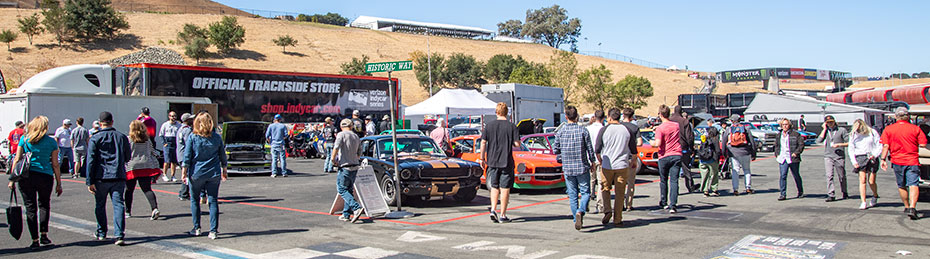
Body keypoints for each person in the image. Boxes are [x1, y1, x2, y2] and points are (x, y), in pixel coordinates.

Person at [7, 116, 63, 249]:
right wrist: (59, 183)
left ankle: (35, 239)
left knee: (30, 207)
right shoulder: (51, 142)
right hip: (45, 175)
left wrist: (12, 179)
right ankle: (44, 234)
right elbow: (55, 164)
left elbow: (17, 159)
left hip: (26, 176)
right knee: (44, 205)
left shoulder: (25, 139)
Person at [181, 112, 229, 239]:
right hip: (213, 172)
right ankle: (213, 230)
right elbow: (222, 155)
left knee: (195, 200)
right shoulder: (216, 137)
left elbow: (187, 156)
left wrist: (184, 171)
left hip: (197, 172)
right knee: (213, 200)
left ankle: (196, 227)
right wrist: (224, 168)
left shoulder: (193, 137)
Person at [86, 111, 131, 246]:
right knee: (118, 205)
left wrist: (89, 180)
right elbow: (128, 156)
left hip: (101, 176)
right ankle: (119, 235)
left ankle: (101, 232)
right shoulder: (121, 137)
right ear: (112, 122)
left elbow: (91, 160)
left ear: (100, 123)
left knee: (100, 204)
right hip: (118, 175)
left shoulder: (95, 138)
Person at [553, 106, 596, 230]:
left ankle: (575, 217)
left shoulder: (560, 132)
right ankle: (581, 210)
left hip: (568, 168)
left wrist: (562, 155)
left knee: (572, 195)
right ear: (576, 116)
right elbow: (589, 148)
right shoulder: (583, 131)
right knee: (585, 192)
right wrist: (592, 161)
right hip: (582, 166)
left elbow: (556, 149)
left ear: (566, 117)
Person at [880, 107, 925, 220]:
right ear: (908, 116)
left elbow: (886, 145)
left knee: (902, 185)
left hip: (897, 161)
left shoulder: (889, 129)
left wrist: (883, 159)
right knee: (913, 184)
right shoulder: (915, 129)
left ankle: (906, 206)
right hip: (912, 160)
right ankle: (912, 207)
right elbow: (923, 144)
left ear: (896, 116)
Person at [481, 102, 520, 223]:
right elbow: (517, 144)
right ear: (507, 112)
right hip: (506, 161)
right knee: (505, 188)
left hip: (492, 161)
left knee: (494, 186)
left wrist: (482, 158)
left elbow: (483, 142)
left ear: (496, 112)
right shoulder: (512, 126)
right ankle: (503, 214)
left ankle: (493, 209)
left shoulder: (489, 126)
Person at [594, 108, 634, 225]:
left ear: (609, 117)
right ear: (619, 117)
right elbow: (633, 148)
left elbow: (597, 148)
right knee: (620, 192)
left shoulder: (604, 130)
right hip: (622, 164)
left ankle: (607, 210)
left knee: (605, 188)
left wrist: (600, 159)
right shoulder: (626, 130)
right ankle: (618, 218)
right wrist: (633, 161)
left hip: (607, 164)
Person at [125, 120, 162, 220]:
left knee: (129, 190)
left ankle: (127, 211)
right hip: (145, 165)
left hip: (132, 166)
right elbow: (152, 151)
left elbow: (126, 153)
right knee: (147, 189)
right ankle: (154, 208)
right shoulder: (147, 140)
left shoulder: (129, 139)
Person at [330, 118, 365, 223]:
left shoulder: (341, 135)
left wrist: (333, 159)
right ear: (351, 126)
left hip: (345, 166)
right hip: (354, 165)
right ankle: (346, 214)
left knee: (342, 189)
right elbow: (359, 152)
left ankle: (356, 207)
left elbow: (336, 147)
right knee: (349, 190)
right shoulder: (356, 136)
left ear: (341, 126)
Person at [650, 105, 682, 213]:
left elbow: (658, 143)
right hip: (676, 153)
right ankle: (673, 204)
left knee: (663, 180)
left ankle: (663, 201)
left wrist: (652, 142)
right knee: (674, 180)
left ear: (660, 114)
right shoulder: (676, 125)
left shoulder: (660, 128)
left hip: (664, 155)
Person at [847, 119, 882, 210]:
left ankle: (875, 195)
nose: (858, 131)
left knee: (871, 181)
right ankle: (863, 201)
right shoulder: (853, 135)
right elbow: (851, 149)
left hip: (871, 156)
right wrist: (854, 161)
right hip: (860, 157)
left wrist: (875, 155)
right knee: (862, 180)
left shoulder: (872, 132)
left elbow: (879, 145)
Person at [817, 115, 849, 202]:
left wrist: (839, 145)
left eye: (831, 122)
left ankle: (844, 191)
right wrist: (824, 129)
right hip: (828, 156)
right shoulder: (826, 131)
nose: (830, 124)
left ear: (834, 121)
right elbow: (818, 141)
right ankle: (831, 194)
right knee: (829, 175)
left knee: (841, 176)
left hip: (839, 156)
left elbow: (849, 142)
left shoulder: (841, 130)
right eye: (828, 122)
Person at [723, 114, 757, 195]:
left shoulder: (729, 129)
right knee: (747, 170)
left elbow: (724, 141)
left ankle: (735, 189)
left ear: (732, 121)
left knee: (735, 171)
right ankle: (748, 187)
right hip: (745, 152)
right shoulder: (745, 128)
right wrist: (753, 153)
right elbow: (752, 141)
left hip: (733, 153)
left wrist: (725, 153)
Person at [774, 119, 805, 201]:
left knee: (796, 175)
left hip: (792, 158)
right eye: (783, 124)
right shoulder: (779, 135)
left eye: (786, 124)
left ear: (789, 125)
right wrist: (777, 154)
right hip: (783, 158)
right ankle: (782, 194)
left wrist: (796, 153)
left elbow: (801, 145)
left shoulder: (796, 134)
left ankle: (800, 191)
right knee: (783, 176)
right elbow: (776, 146)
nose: (785, 126)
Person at [669, 106, 696, 193]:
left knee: (673, 171)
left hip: (671, 148)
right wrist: (691, 148)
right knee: (686, 169)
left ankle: (674, 190)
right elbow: (689, 137)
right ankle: (690, 186)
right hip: (683, 148)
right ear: (681, 112)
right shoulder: (684, 121)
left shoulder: (669, 120)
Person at [620, 108, 642, 211]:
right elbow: (640, 142)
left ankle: (619, 203)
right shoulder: (634, 128)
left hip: (620, 157)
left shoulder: (619, 126)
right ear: (632, 116)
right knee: (631, 183)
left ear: (623, 115)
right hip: (631, 157)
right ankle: (628, 204)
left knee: (620, 182)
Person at [585, 110, 605, 214]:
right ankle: (600, 205)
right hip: (600, 158)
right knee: (601, 183)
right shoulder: (604, 129)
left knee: (589, 181)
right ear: (603, 118)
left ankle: (587, 202)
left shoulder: (587, 129)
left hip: (589, 158)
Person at [176, 113, 197, 200]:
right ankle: (183, 193)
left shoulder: (180, 128)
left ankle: (183, 192)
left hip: (180, 155)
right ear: (187, 120)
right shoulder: (188, 130)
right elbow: (189, 143)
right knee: (187, 175)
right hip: (185, 155)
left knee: (186, 174)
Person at [698, 121, 721, 197]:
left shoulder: (704, 139)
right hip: (712, 159)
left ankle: (705, 190)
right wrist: (718, 158)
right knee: (714, 174)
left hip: (703, 159)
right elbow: (717, 150)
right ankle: (714, 189)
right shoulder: (715, 139)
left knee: (705, 175)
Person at [158, 111, 182, 182]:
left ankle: (173, 175)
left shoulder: (178, 125)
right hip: (168, 142)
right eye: (172, 116)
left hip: (175, 142)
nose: (173, 117)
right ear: (169, 117)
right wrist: (164, 143)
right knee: (167, 160)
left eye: (174, 116)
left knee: (174, 161)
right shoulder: (165, 125)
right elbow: (161, 134)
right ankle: (164, 174)